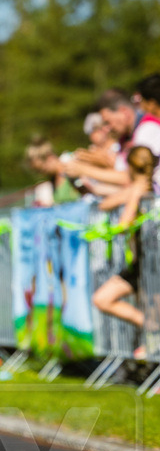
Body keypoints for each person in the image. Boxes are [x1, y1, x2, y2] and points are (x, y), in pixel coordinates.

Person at [91, 145, 155, 359]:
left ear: (130, 167)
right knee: (102, 298)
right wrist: (127, 193)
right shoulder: (138, 187)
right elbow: (105, 204)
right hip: (141, 264)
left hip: (153, 264)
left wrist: (133, 196)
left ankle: (153, 334)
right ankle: (152, 329)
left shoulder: (146, 191)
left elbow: (124, 225)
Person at [24, 137, 83, 206]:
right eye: (38, 171)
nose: (42, 174)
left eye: (42, 169)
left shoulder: (72, 164)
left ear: (49, 156)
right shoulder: (53, 180)